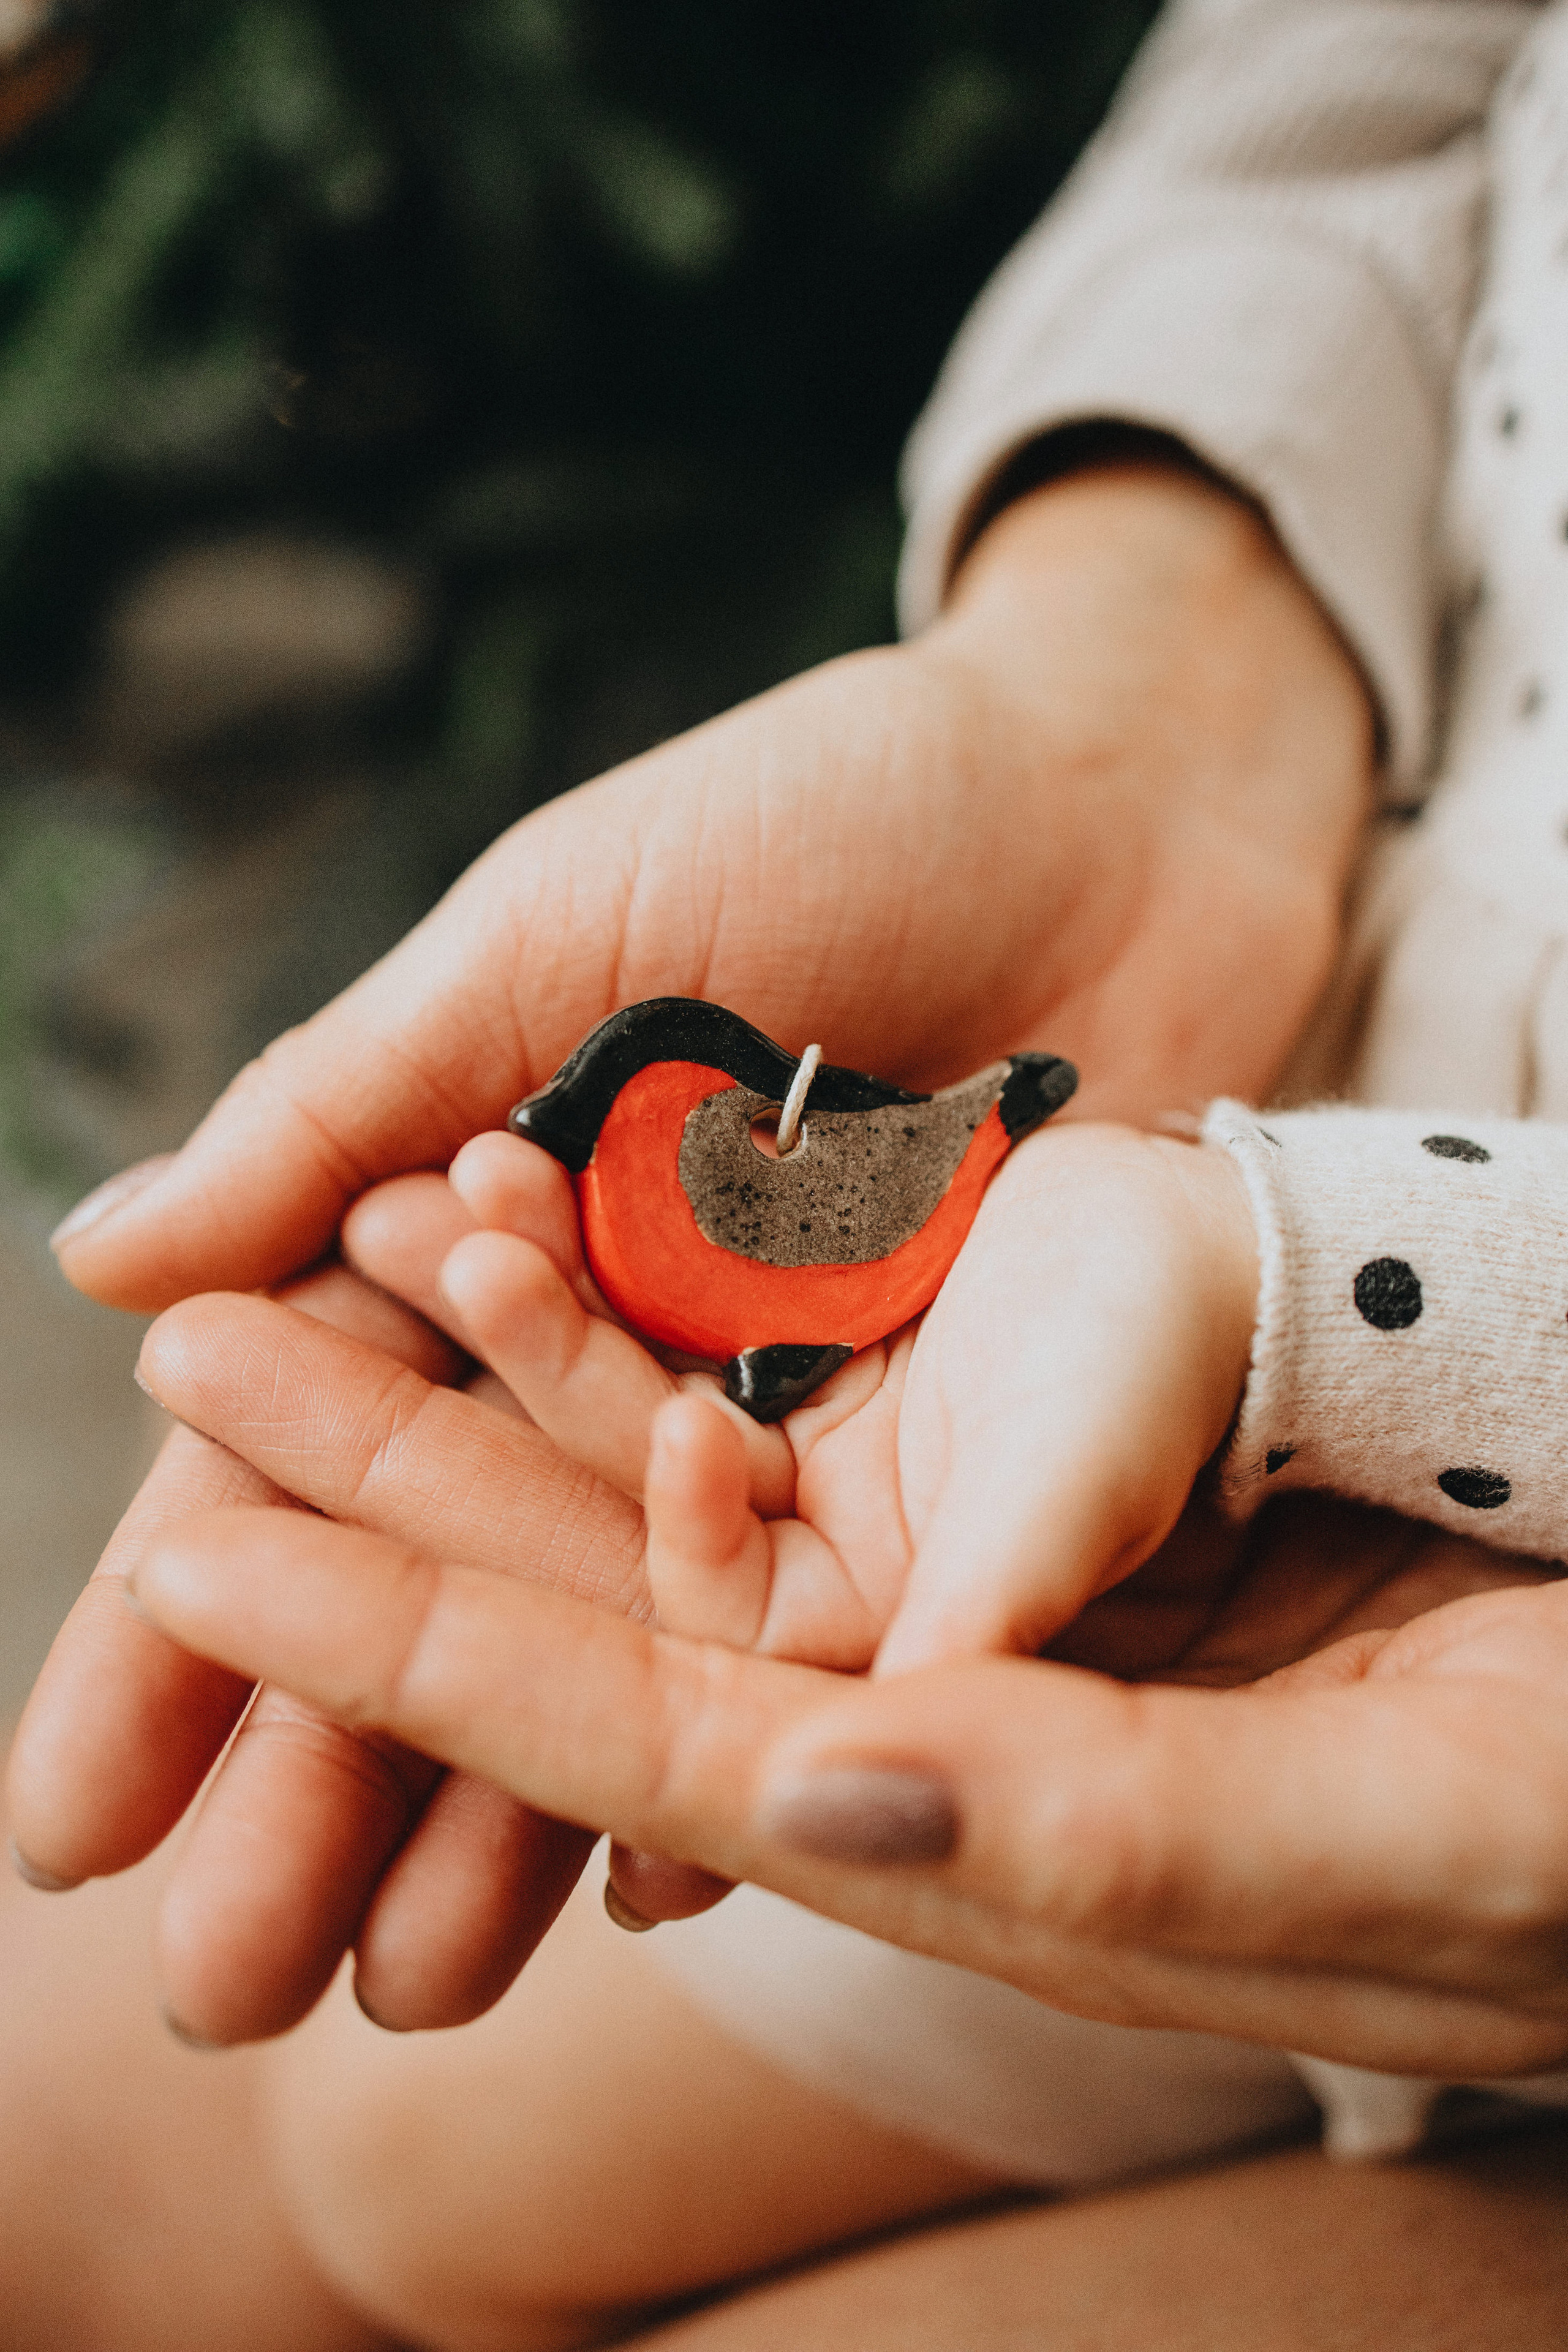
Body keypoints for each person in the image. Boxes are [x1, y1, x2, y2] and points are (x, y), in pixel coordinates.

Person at [12, 0, 1568, 2344]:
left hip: (1320, 1502)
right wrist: (1145, 643)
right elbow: (1360, 66)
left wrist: (1333, 1276)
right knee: (321, 2154)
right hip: (1134, 1274)